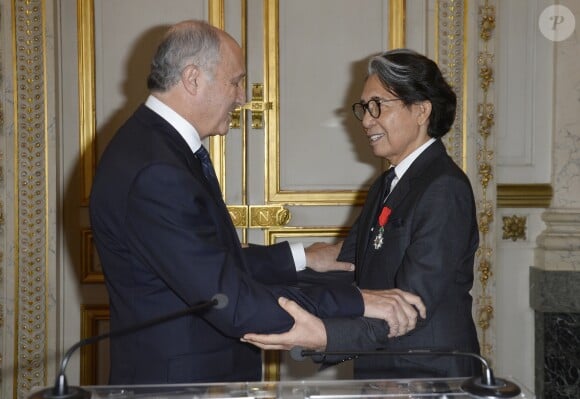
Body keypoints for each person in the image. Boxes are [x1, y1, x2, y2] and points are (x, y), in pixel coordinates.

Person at [89, 21, 425, 385]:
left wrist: (305, 256)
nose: (242, 98)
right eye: (235, 81)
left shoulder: (155, 146)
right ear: (192, 79)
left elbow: (206, 259)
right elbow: (229, 299)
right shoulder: (156, 169)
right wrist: (360, 302)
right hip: (180, 383)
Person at [242, 48, 481, 380]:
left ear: (421, 110)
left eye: (377, 105)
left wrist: (324, 335)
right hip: (384, 369)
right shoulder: (387, 183)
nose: (367, 120)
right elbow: (349, 269)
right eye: (364, 108)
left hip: (429, 373)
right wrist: (252, 282)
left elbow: (412, 307)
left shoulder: (444, 188)